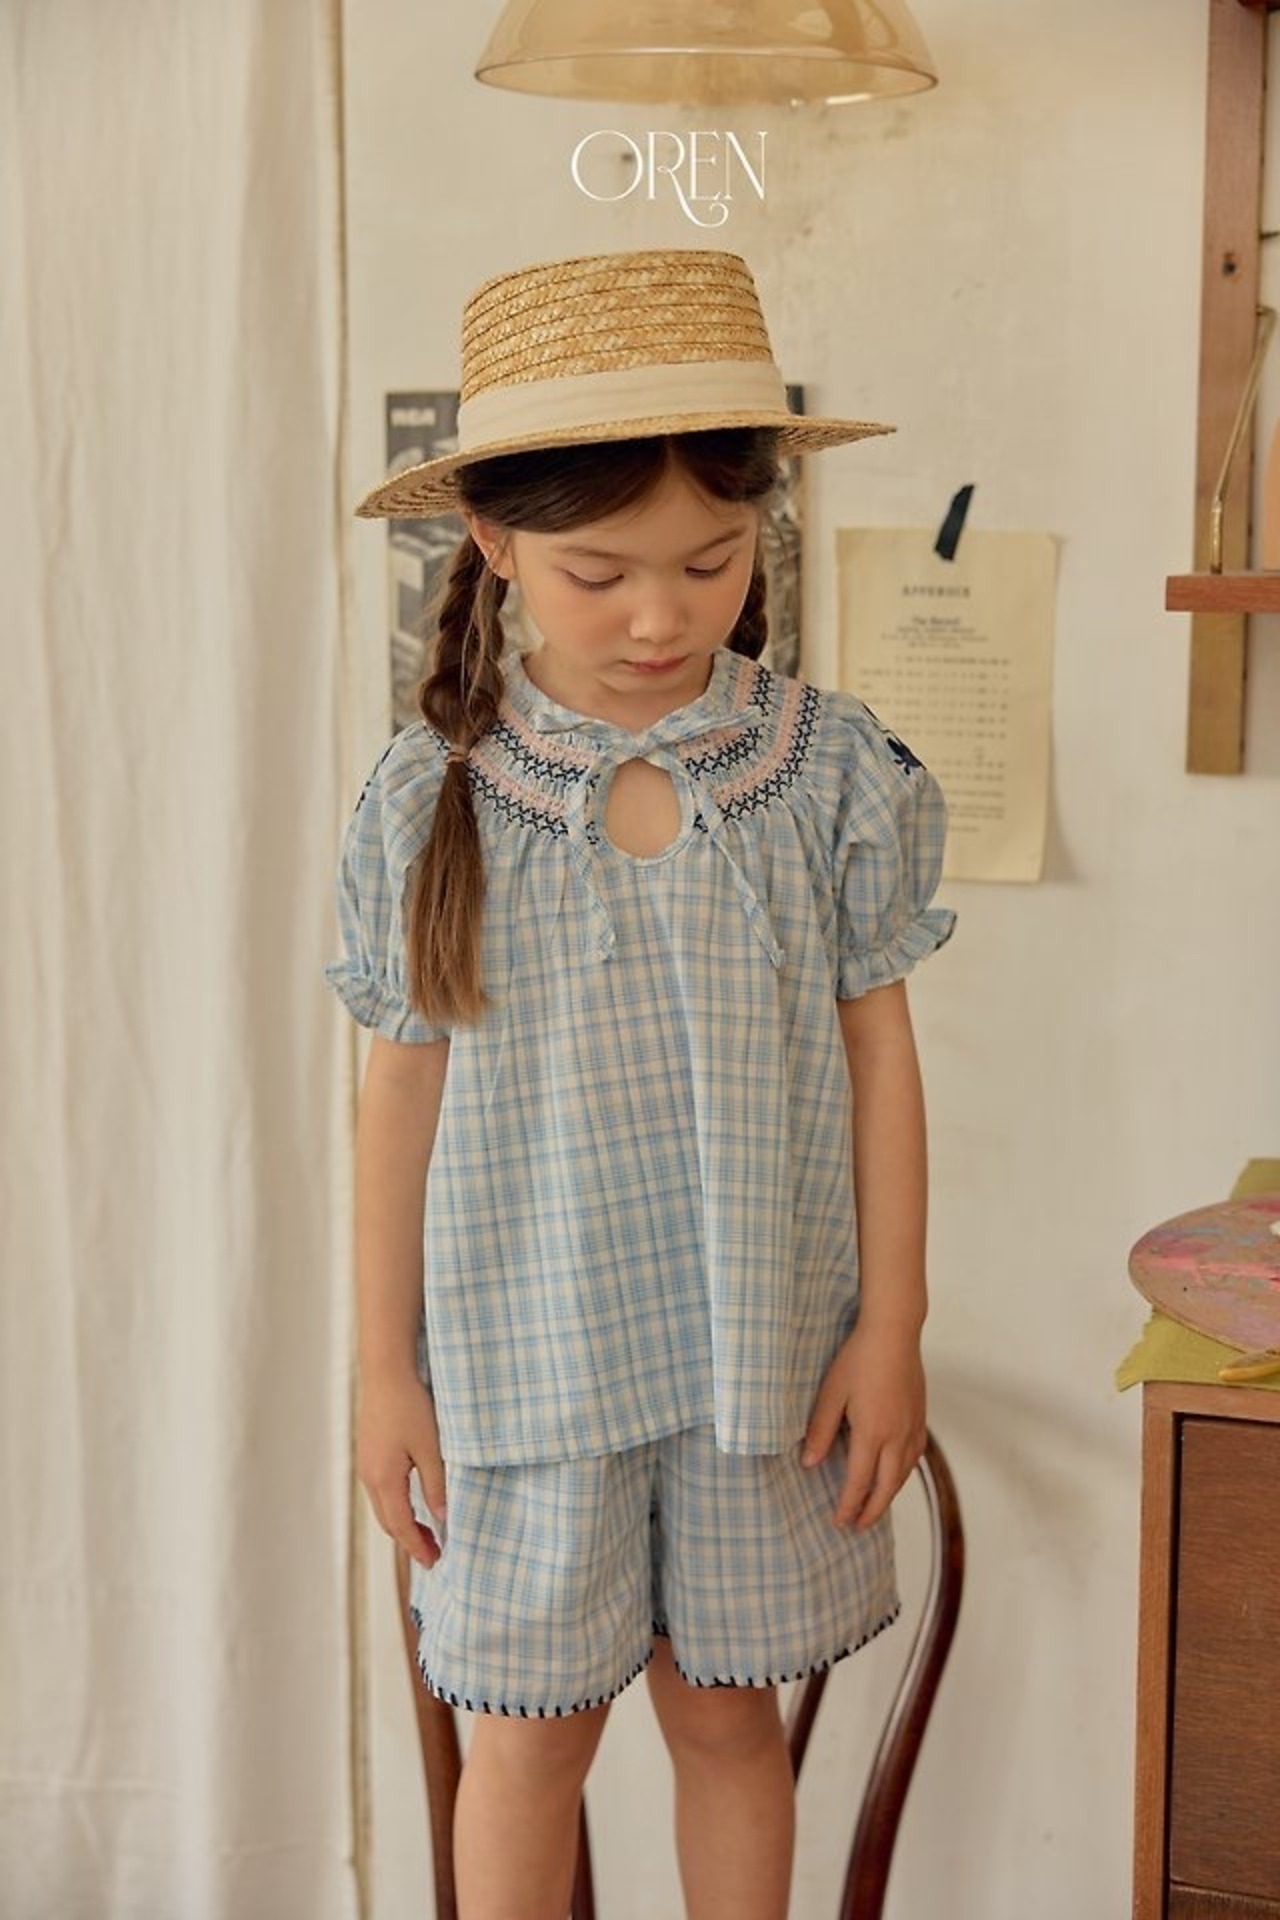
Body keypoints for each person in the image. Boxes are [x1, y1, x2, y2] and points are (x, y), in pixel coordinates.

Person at [326, 248, 955, 1920]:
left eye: (711, 562)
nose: (662, 617)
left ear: (762, 532)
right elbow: (397, 1101)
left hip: (767, 1365)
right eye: (598, 574)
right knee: (525, 1751)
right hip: (521, 1379)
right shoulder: (433, 797)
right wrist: (381, 1369)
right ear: (493, 542)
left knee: (729, 1723)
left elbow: (881, 1058)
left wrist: (893, 1327)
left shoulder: (829, 771)